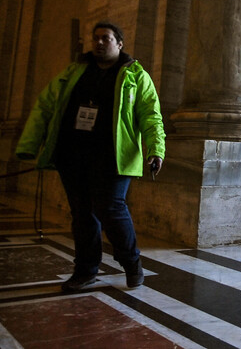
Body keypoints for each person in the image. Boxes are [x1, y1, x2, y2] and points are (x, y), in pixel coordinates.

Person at [15, 21, 166, 291]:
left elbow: (151, 115)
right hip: (72, 154)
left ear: (119, 43)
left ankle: (132, 262)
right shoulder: (74, 72)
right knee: (83, 215)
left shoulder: (135, 75)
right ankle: (85, 270)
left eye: (105, 38)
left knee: (112, 210)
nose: (98, 43)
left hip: (113, 157)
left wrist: (156, 149)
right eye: (95, 38)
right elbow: (45, 107)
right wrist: (29, 144)